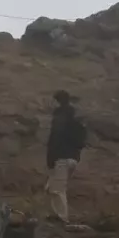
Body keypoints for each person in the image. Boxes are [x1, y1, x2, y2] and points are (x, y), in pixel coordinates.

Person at [45, 90, 86, 224]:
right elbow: (81, 142)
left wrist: (51, 158)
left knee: (57, 189)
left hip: (61, 157)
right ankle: (56, 214)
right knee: (54, 186)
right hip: (73, 159)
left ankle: (62, 218)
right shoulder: (75, 119)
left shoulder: (60, 117)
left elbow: (55, 138)